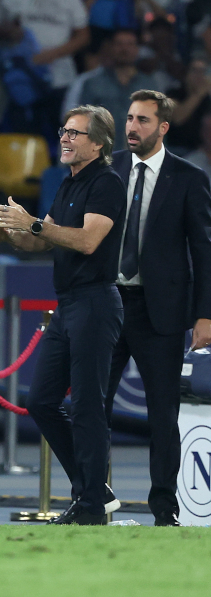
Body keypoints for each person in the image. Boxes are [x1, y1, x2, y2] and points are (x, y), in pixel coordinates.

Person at [0, 105, 126, 525]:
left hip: (96, 302)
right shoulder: (68, 184)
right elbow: (40, 242)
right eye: (63, 131)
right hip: (68, 306)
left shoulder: (106, 183)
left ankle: (90, 507)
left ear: (98, 143)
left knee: (87, 406)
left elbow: (86, 241)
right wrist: (13, 233)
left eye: (75, 133)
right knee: (41, 401)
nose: (64, 138)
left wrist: (33, 226)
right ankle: (93, 489)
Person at [107, 91, 211, 525]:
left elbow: (204, 251)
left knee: (163, 414)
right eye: (130, 118)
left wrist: (205, 314)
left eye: (143, 121)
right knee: (92, 407)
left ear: (163, 127)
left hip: (161, 311)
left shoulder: (189, 177)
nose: (132, 127)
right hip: (107, 305)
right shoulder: (106, 168)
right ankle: (91, 497)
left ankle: (165, 509)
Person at [0, 0, 91, 97]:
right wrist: (8, 32)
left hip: (59, 75)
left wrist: (53, 53)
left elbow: (83, 36)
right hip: (20, 75)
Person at [78, 29, 167, 150]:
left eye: (130, 44)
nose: (124, 49)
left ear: (137, 49)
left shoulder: (150, 86)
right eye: (119, 44)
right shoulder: (93, 84)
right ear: (110, 48)